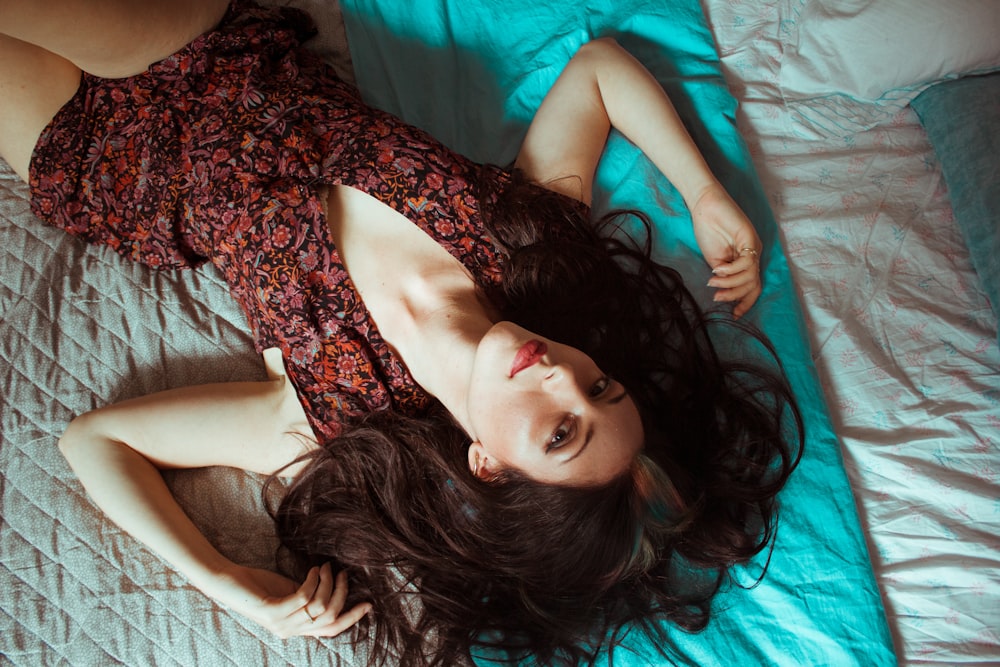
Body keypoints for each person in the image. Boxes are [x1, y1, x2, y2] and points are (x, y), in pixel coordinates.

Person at [0, 0, 803, 665]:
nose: (562, 375)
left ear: (488, 466)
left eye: (562, 430)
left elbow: (93, 442)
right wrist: (703, 193)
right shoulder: (520, 240)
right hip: (200, 45)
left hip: (106, 166)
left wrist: (233, 585)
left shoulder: (330, 417)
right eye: (601, 385)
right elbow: (598, 71)